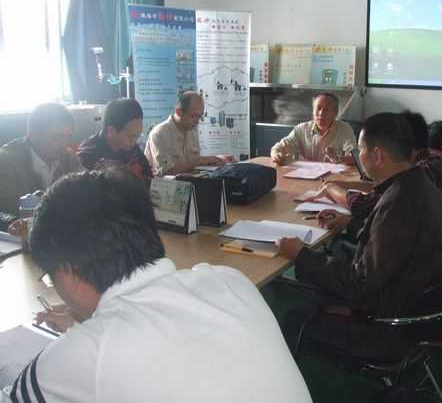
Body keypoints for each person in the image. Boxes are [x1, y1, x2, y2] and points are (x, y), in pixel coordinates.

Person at [2, 170, 312, 403]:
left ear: (69, 273)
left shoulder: (84, 354)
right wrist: (87, 328)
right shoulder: (230, 280)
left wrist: (83, 337)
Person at [277, 113, 442, 358]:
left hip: (387, 326)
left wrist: (301, 255)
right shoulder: (418, 185)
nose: (358, 156)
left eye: (360, 150)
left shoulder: (398, 202)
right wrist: (351, 224)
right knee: (319, 286)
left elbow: (360, 283)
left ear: (377, 155)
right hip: (413, 304)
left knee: (291, 318)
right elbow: (392, 242)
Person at [307, 111, 442, 259]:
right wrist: (349, 204)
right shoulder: (437, 165)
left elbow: (364, 206)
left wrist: (332, 189)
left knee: (334, 247)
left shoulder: (410, 184)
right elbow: (392, 225)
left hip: (440, 264)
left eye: (361, 149)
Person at [0, 103, 80, 231]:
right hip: (16, 236)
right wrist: (12, 221)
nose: (64, 144)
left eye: (68, 137)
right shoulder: (6, 162)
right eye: (57, 137)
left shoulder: (68, 158)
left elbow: (85, 193)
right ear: (33, 133)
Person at [144, 91, 231, 176]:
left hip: (190, 182)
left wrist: (216, 160)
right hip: (165, 185)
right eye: (194, 116)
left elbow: (194, 165)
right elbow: (166, 171)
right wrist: (199, 161)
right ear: (179, 112)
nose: (197, 121)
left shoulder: (191, 130)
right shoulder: (159, 134)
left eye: (200, 117)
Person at [270, 93, 356, 165]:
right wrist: (276, 155)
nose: (321, 113)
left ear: (335, 112)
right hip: (307, 175)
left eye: (326, 109)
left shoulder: (344, 129)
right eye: (318, 108)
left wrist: (338, 158)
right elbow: (278, 148)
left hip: (334, 177)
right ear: (313, 110)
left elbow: (355, 158)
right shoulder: (302, 129)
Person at [77, 98, 152, 180]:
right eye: (131, 137)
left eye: (138, 136)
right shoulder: (89, 154)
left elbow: (149, 176)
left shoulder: (132, 148)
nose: (134, 142)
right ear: (111, 131)